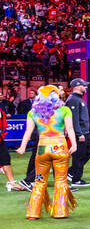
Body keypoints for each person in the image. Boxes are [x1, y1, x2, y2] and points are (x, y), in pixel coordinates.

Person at [17, 85, 77, 219]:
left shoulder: (33, 112)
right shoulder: (64, 110)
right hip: (60, 146)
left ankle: (33, 212)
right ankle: (60, 212)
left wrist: (22, 147)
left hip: (42, 147)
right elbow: (70, 128)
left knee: (39, 181)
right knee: (61, 180)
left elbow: (28, 131)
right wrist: (74, 144)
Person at [64, 78, 90, 187]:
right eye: (84, 85)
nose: (86, 87)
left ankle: (72, 172)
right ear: (76, 86)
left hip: (85, 131)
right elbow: (73, 119)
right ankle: (76, 179)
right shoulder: (73, 100)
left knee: (89, 151)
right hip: (80, 133)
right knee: (79, 156)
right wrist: (79, 133)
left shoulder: (78, 99)